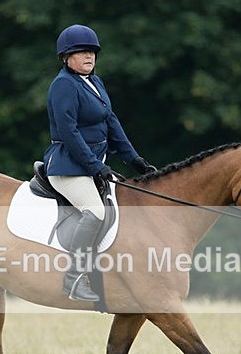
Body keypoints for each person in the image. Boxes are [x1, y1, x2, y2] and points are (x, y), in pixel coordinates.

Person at [42, 24, 156, 302]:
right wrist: (96, 166)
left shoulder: (95, 82)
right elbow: (69, 133)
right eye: (81, 52)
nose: (89, 56)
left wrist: (134, 159)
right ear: (66, 57)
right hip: (68, 167)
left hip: (91, 166)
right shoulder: (63, 85)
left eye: (92, 51)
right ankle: (74, 278)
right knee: (95, 211)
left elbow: (111, 122)